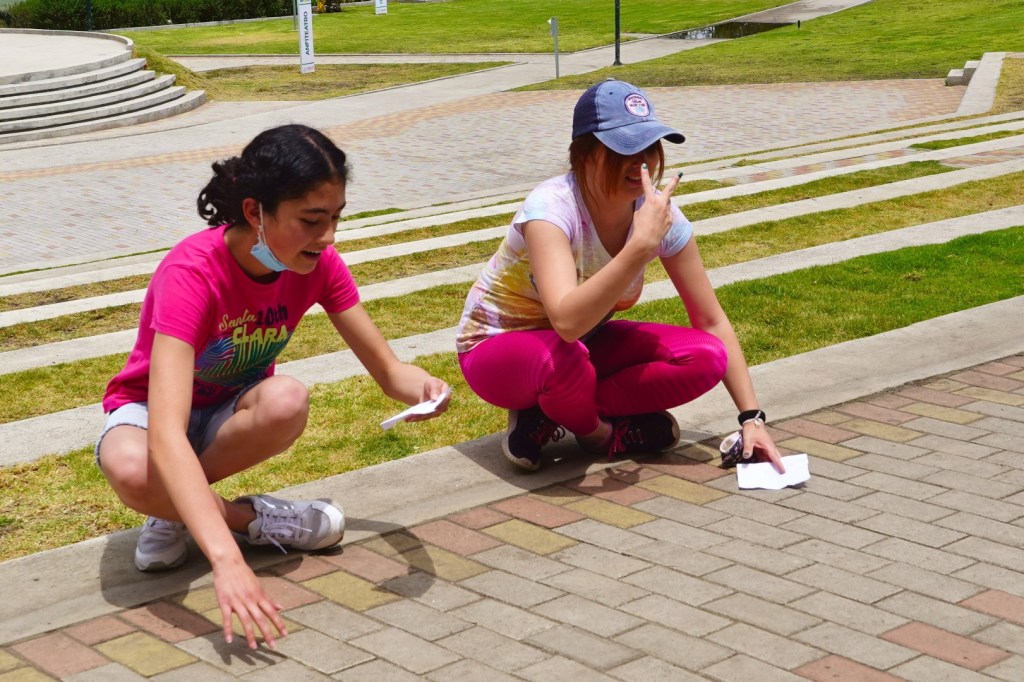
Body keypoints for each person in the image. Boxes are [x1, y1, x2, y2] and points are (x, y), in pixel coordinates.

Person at [96, 124, 450, 650]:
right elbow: (166, 434)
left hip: (229, 412)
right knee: (131, 467)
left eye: (336, 218)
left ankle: (172, 506)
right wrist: (227, 560)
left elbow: (389, 371)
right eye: (311, 220)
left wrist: (426, 389)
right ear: (255, 211)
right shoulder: (192, 271)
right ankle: (250, 519)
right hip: (150, 413)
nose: (328, 238)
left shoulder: (319, 266)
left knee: (287, 399)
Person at [455, 79, 783, 474]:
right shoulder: (551, 208)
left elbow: (711, 320)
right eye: (623, 148)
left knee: (706, 356)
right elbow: (567, 321)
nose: (642, 163)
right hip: (497, 348)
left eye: (650, 146)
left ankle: (551, 411)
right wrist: (638, 248)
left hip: (580, 348)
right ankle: (601, 433)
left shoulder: (657, 215)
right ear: (584, 153)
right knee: (561, 360)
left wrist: (752, 419)